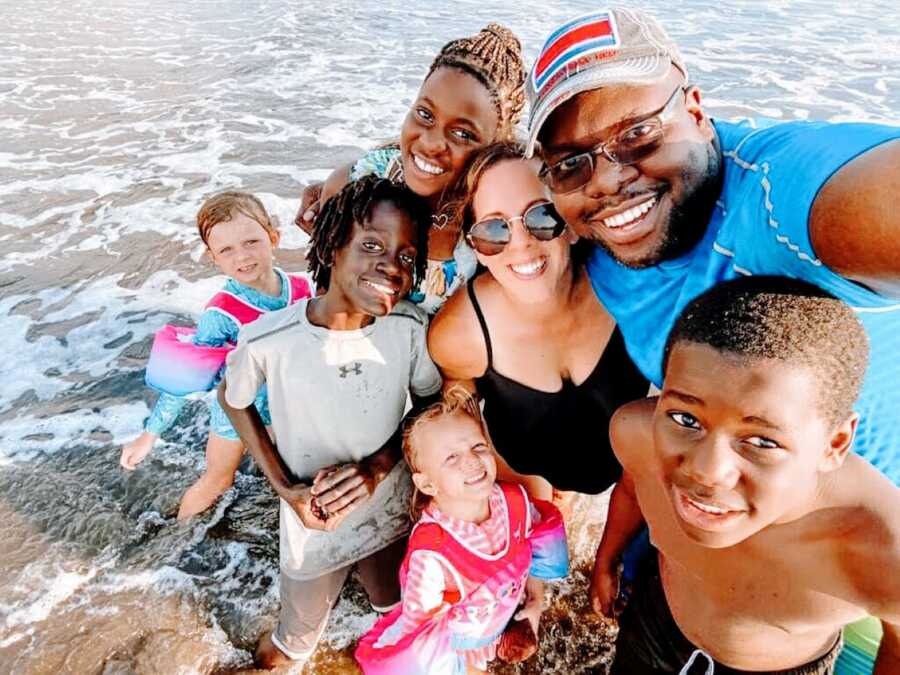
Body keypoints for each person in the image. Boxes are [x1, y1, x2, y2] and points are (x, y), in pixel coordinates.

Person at [525, 7, 900, 485]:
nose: (606, 182)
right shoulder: (591, 238)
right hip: (721, 506)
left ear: (696, 113)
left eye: (638, 134)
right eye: (571, 163)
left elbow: (870, 199)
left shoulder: (777, 200)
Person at [591, 276, 900, 674]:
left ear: (834, 444)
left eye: (761, 442)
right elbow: (633, 491)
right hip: (655, 629)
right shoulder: (637, 436)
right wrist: (607, 559)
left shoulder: (882, 551)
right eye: (686, 418)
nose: (708, 472)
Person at [218, 176, 442, 669]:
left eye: (407, 257)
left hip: (389, 510)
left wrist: (379, 469)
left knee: (396, 614)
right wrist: (285, 488)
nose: (391, 265)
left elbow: (430, 404)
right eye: (371, 245)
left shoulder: (408, 329)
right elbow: (234, 400)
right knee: (289, 648)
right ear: (332, 241)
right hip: (312, 522)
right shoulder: (268, 339)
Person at [428, 142, 648, 499]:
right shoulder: (462, 334)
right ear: (476, 250)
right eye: (494, 231)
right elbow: (463, 414)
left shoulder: (629, 285)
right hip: (529, 485)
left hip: (637, 478)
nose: (521, 244)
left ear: (572, 224)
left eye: (542, 217)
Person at [297, 23, 526, 314]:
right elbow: (329, 303)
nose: (430, 144)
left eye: (463, 134)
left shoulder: (497, 222)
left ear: (495, 144)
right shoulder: (352, 191)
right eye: (424, 114)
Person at [118, 191, 311, 520]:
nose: (242, 256)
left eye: (251, 241)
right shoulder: (221, 314)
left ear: (273, 237)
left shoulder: (302, 288)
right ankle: (179, 533)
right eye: (227, 250)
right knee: (219, 479)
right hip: (238, 412)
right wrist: (149, 436)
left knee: (293, 473)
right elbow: (183, 379)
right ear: (214, 259)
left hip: (286, 405)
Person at [355, 387, 569, 675]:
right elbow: (425, 642)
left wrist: (534, 601)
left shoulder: (514, 501)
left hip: (498, 617)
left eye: (478, 447)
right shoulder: (431, 557)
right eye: (451, 458)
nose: (471, 460)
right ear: (427, 484)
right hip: (459, 648)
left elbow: (537, 544)